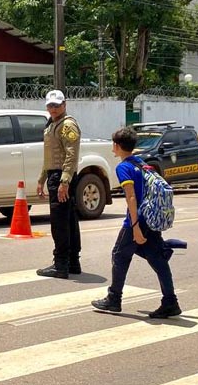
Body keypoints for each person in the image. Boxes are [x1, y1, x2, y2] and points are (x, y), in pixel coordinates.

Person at [92, 127, 181, 319]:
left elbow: (131, 197)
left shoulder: (123, 167)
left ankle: (114, 299)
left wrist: (134, 227)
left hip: (137, 219)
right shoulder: (141, 163)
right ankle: (170, 302)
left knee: (119, 255)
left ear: (116, 145)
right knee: (157, 258)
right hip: (150, 217)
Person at [36, 90, 82, 278]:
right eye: (50, 105)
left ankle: (61, 264)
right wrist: (41, 179)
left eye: (56, 105)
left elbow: (72, 155)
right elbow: (50, 157)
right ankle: (72, 262)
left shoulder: (67, 125)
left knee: (60, 222)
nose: (53, 109)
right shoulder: (52, 124)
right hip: (55, 175)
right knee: (68, 219)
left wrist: (64, 181)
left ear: (64, 105)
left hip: (63, 177)